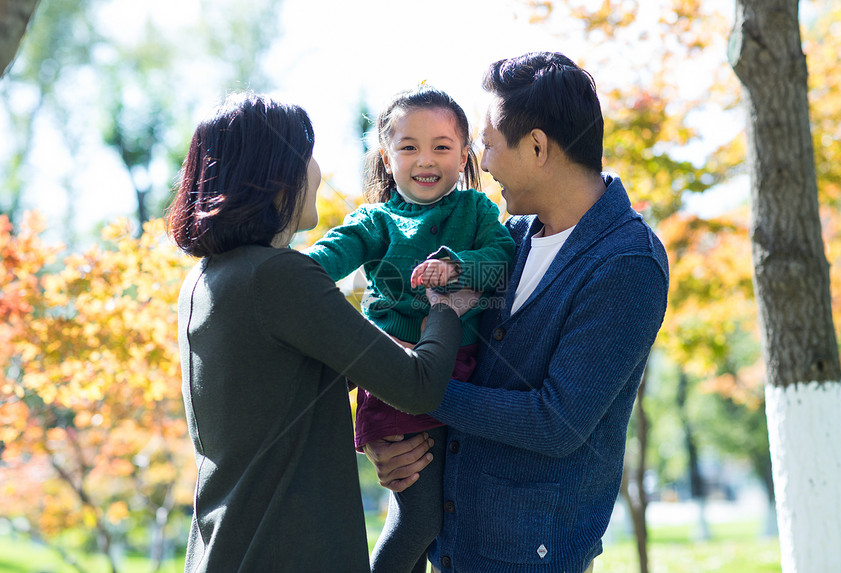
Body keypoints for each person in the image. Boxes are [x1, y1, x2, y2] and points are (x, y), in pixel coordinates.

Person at [364, 52, 670, 573]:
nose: (481, 162)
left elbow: (557, 422)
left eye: (486, 143)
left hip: (532, 558)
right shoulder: (510, 238)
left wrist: (412, 387)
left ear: (536, 147)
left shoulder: (626, 262)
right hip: (457, 543)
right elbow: (444, 339)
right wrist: (389, 435)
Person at [166, 92, 478, 573]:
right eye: (307, 155)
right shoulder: (279, 276)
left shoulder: (206, 280)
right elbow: (418, 384)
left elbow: (287, 389)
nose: (317, 169)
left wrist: (380, 432)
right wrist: (448, 304)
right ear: (273, 176)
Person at [304, 84, 515, 573]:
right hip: (398, 379)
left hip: (464, 377)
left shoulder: (476, 211)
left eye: (442, 147)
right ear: (386, 156)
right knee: (418, 519)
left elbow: (503, 260)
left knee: (437, 520)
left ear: (465, 155)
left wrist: (457, 267)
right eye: (408, 147)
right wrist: (287, 272)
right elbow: (328, 255)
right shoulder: (376, 220)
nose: (426, 159)